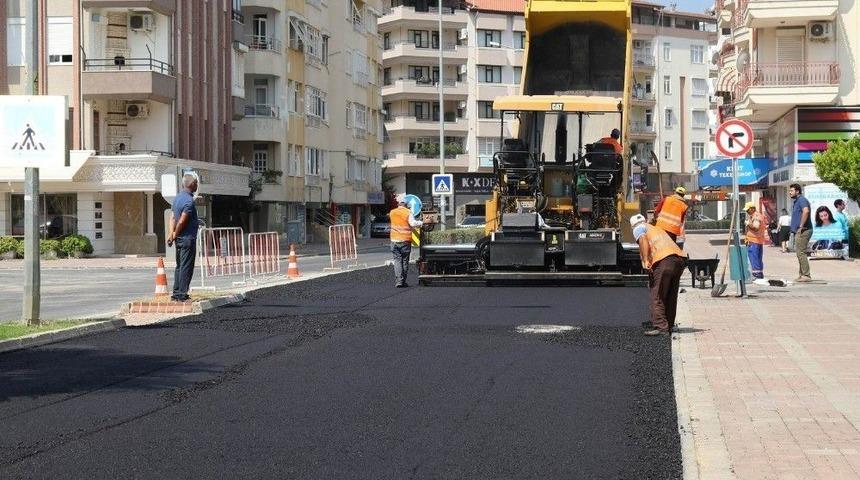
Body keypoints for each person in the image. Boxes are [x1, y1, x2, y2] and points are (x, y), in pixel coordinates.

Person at [631, 214, 688, 336]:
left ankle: (661, 327)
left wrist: (646, 260)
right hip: (679, 260)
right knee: (671, 294)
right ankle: (669, 325)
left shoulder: (639, 228)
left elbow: (642, 240)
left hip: (664, 261)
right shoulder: (656, 228)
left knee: (657, 295)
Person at [167, 173, 200, 301]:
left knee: (179, 266)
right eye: (196, 183)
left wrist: (171, 234)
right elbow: (181, 220)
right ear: (192, 184)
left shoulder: (177, 198)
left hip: (179, 239)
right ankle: (181, 295)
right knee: (186, 266)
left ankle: (176, 293)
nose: (197, 185)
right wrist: (175, 233)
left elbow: (172, 217)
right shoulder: (189, 201)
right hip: (187, 238)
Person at [389, 193, 423, 288]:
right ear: (406, 205)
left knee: (397, 261)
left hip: (394, 240)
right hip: (405, 240)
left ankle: (399, 281)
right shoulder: (408, 212)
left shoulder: (392, 212)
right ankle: (402, 281)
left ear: (398, 204)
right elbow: (412, 223)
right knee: (404, 261)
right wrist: (421, 222)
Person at [789, 183, 813, 282]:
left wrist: (801, 226)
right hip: (799, 230)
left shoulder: (802, 200)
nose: (789, 193)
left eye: (791, 191)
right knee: (799, 252)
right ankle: (802, 274)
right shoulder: (797, 201)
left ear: (797, 191)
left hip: (804, 230)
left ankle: (806, 275)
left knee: (801, 252)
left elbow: (806, 211)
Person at [744, 202, 767, 280]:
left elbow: (756, 227)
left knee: (754, 257)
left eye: (748, 210)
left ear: (752, 208)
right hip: (756, 240)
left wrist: (748, 224)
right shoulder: (754, 216)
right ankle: (759, 273)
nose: (746, 211)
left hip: (754, 241)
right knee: (757, 257)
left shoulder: (756, 216)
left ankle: (757, 274)